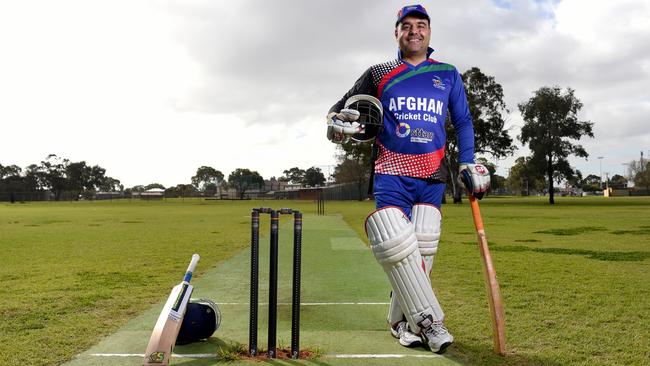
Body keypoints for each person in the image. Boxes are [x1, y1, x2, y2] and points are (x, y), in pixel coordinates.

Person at [326, 4, 490, 354]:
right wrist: (336, 126)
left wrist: (468, 162)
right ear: (396, 32)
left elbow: (462, 122)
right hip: (391, 172)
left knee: (422, 251)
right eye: (407, 26)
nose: (414, 31)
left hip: (432, 174)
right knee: (396, 247)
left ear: (429, 32)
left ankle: (401, 322)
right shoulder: (380, 72)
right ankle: (431, 323)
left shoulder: (447, 73)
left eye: (422, 25)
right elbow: (338, 109)